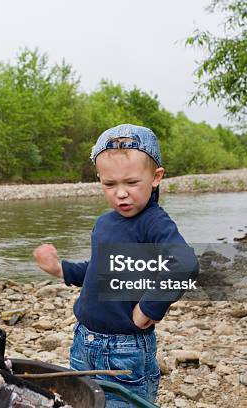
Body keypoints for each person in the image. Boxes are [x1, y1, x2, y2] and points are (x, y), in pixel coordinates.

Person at [33, 124, 198, 407]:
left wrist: (149, 307)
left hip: (125, 350)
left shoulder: (153, 222)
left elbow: (184, 264)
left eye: (131, 183)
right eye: (110, 185)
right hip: (83, 341)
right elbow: (99, 269)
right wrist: (60, 269)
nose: (120, 193)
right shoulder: (105, 223)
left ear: (155, 177)